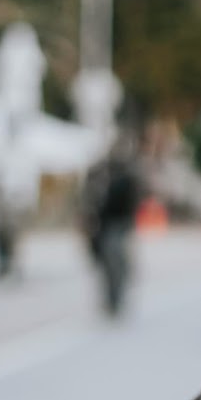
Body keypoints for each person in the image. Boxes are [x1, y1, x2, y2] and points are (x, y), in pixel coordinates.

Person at [83, 133, 142, 317]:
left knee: (116, 262)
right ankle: (110, 298)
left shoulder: (126, 175)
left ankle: (116, 298)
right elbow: (91, 198)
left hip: (118, 223)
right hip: (104, 224)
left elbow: (132, 201)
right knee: (105, 264)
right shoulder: (101, 172)